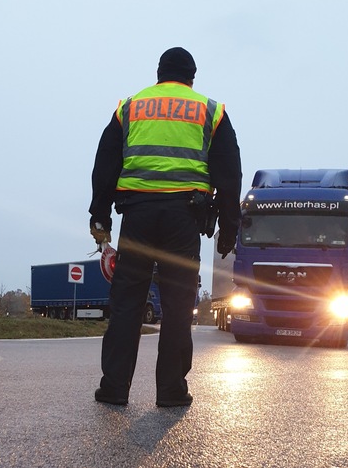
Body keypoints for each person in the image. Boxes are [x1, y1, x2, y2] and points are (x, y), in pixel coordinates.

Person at [89, 46, 242, 407]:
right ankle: (171, 391)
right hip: (184, 220)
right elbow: (229, 173)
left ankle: (114, 388)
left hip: (137, 217)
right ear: (191, 78)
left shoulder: (129, 108)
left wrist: (100, 214)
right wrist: (229, 226)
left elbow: (105, 162)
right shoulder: (211, 111)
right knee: (176, 305)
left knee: (127, 302)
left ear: (158, 74)